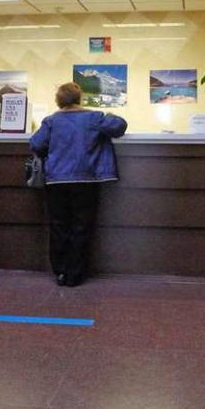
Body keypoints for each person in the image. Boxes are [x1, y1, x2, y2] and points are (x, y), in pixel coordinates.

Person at [29, 82, 127, 287]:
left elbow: (36, 144)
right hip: (86, 179)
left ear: (58, 100)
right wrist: (108, 114)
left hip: (56, 180)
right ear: (79, 98)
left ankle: (60, 272)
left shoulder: (51, 121)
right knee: (81, 227)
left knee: (58, 226)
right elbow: (119, 127)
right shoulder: (94, 118)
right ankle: (75, 274)